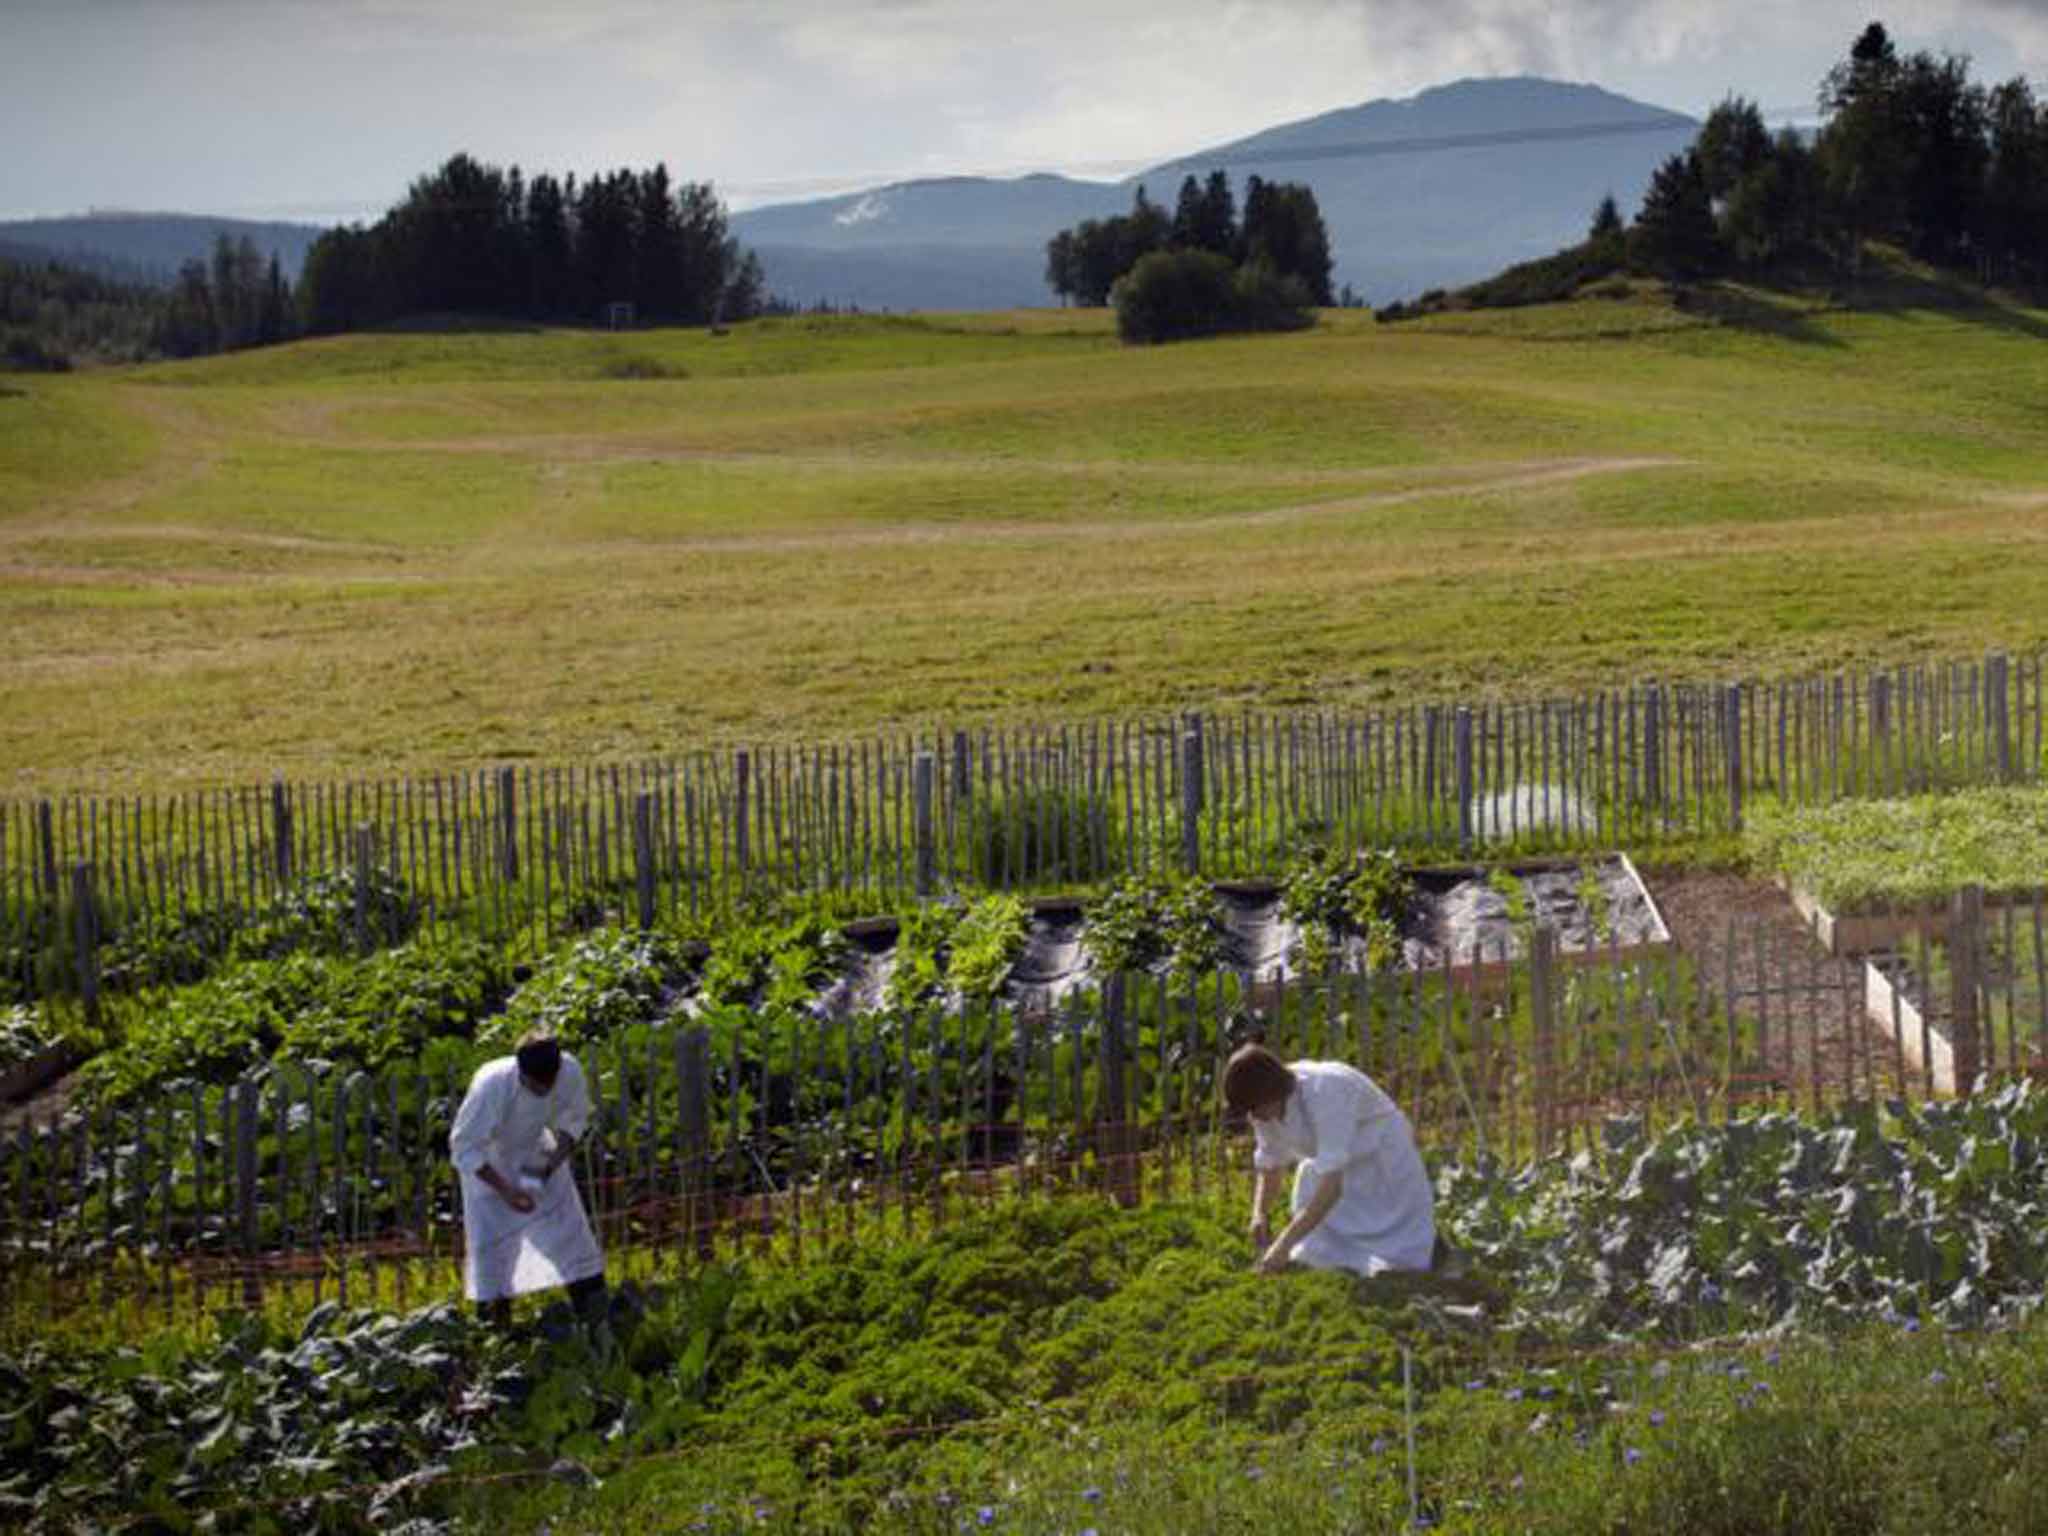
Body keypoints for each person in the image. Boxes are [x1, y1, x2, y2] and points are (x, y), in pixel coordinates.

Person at [1221, 1043, 1434, 1278]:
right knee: (1319, 1254)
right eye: (1249, 1111)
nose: (1254, 1117)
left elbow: (1332, 1187)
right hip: (1332, 1170)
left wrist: (1283, 1243)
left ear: (1272, 1093)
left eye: (1255, 1108)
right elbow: (1271, 1162)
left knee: (1396, 1256)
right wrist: (1259, 1213)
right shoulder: (1261, 1110)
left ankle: (1394, 1267)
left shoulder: (1325, 1090)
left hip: (1380, 1161)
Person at [449, 1030, 607, 1327]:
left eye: (549, 1083)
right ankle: (496, 1330)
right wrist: (508, 1192)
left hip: (537, 1153)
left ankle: (595, 1317)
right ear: (520, 1071)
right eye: (536, 1084)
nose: (544, 1090)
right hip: (489, 1165)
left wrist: (546, 1169)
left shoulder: (568, 1070)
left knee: (570, 1232)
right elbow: (464, 1146)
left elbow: (574, 1119)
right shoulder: (491, 1085)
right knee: (495, 1251)